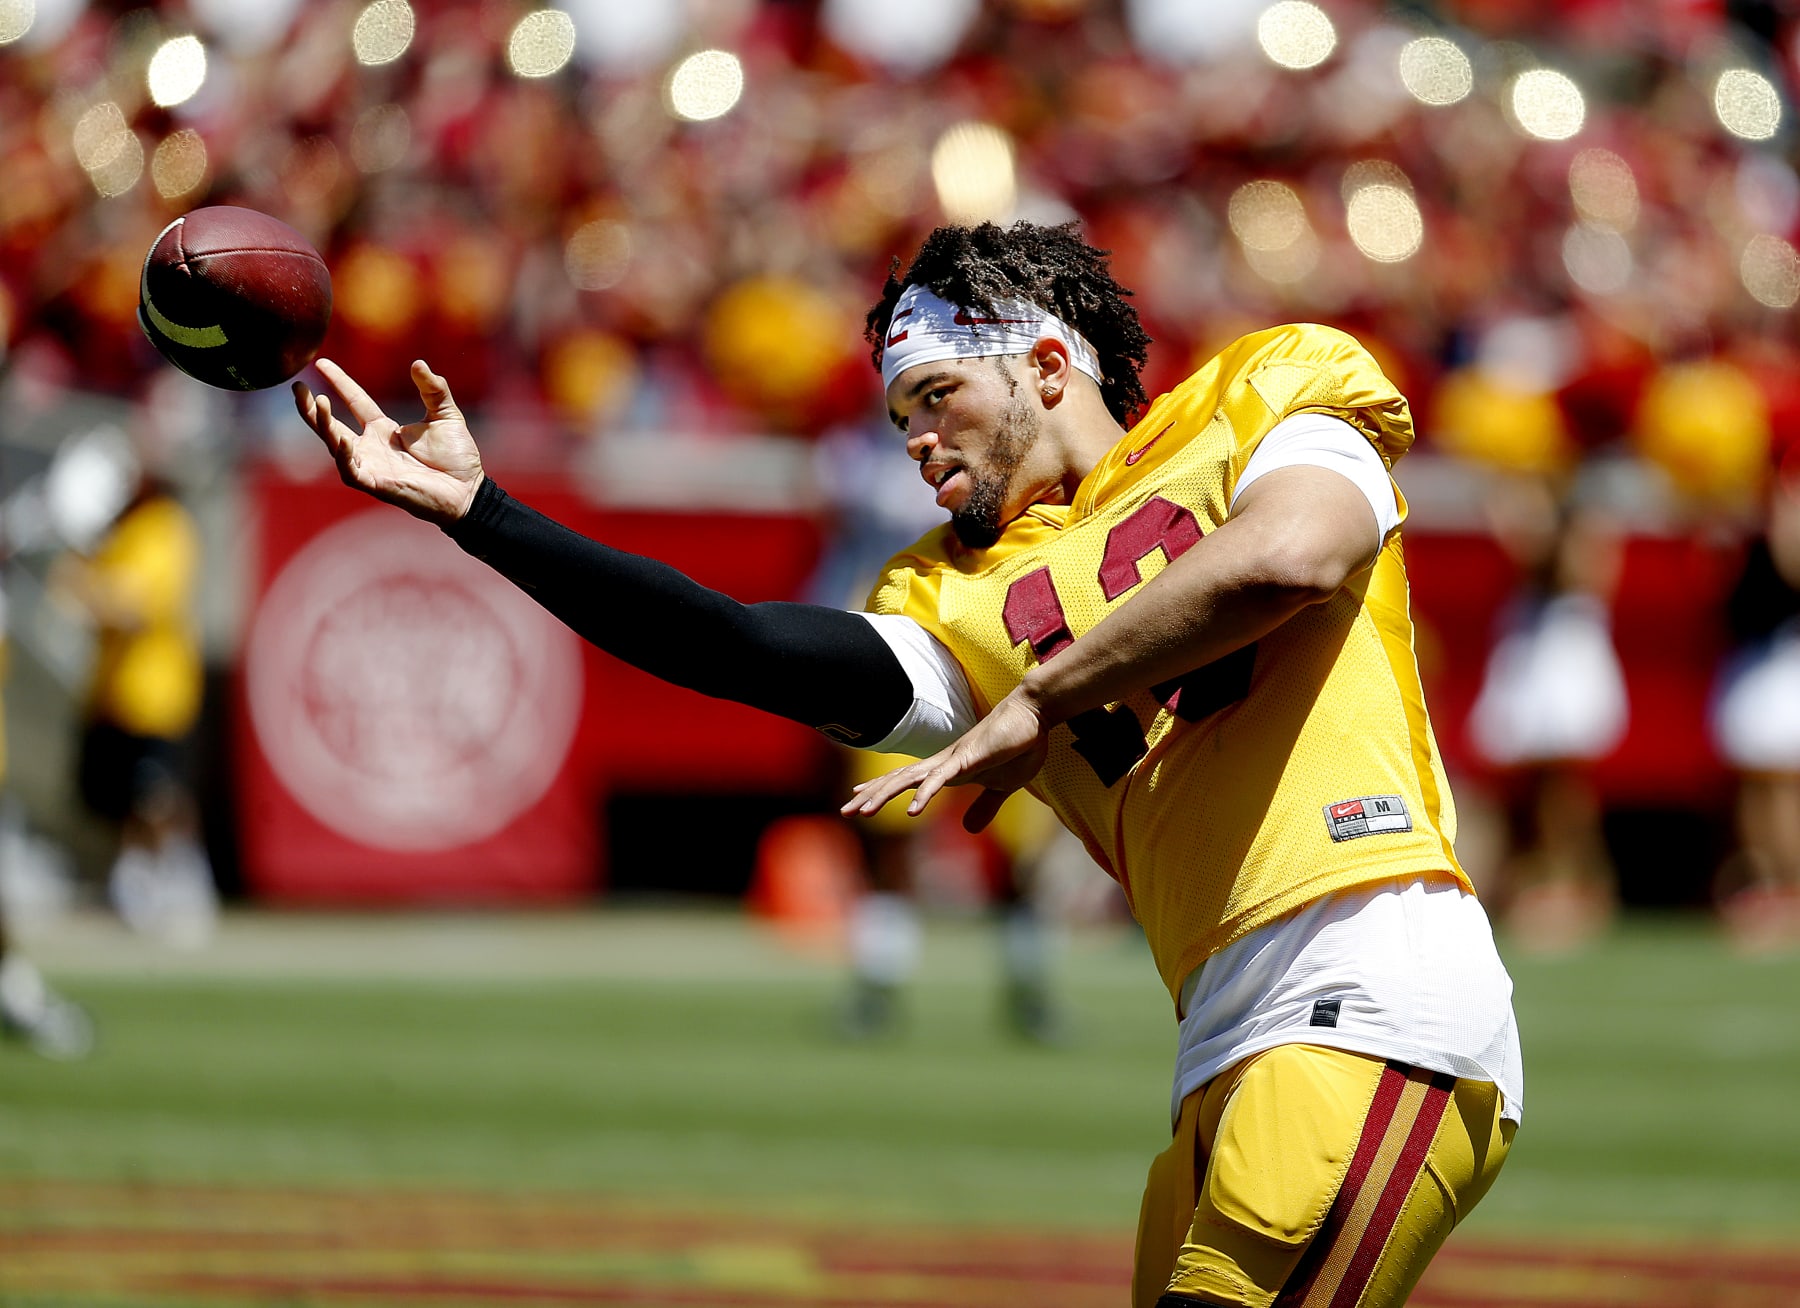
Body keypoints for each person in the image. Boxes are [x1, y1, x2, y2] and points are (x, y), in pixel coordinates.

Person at [295, 220, 1520, 1308]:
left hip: (1371, 977)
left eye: (937, 397)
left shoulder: (1266, 390)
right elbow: (736, 643)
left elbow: (1293, 554)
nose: (917, 444)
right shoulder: (952, 594)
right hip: (1222, 1033)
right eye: (899, 418)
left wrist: (1044, 694)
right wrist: (483, 515)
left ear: (1047, 367)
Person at [51, 472, 217, 948]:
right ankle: (137, 886)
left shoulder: (165, 527)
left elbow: (135, 605)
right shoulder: (118, 534)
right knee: (116, 797)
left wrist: (82, 584)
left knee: (157, 792)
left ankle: (181, 883)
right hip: (113, 692)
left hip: (155, 693)